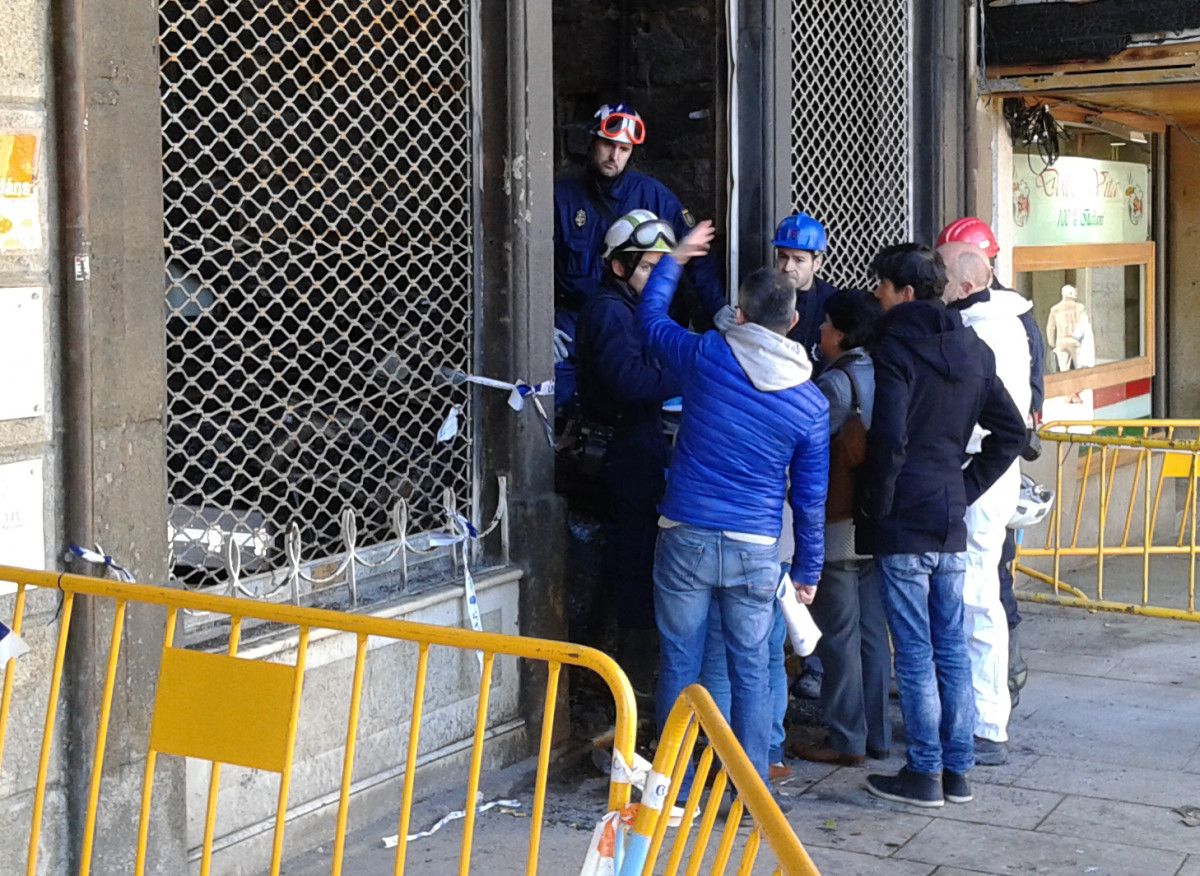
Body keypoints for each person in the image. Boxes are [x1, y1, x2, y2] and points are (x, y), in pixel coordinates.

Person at [640, 220, 828, 797]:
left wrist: (674, 259)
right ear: (794, 322)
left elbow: (650, 325)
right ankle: (749, 791)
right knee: (751, 670)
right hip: (754, 548)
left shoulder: (707, 356)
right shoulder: (811, 403)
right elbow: (810, 498)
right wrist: (809, 571)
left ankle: (673, 785)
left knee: (680, 662)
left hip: (687, 535)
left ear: (740, 314)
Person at [859, 244, 1025, 808]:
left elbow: (889, 439)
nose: (876, 295)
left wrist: (875, 508)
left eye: (881, 285)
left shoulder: (896, 346)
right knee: (949, 646)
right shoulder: (972, 347)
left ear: (905, 292)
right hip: (948, 509)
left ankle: (925, 770)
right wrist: (964, 486)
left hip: (907, 511)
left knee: (915, 649)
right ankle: (956, 770)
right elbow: (1013, 434)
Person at [553, 104, 731, 411]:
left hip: (637, 318)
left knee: (645, 391)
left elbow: (694, 250)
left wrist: (717, 308)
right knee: (555, 379)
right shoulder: (562, 197)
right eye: (608, 145)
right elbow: (538, 266)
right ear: (592, 142)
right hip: (577, 318)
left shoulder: (653, 195)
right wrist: (540, 324)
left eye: (624, 149)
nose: (615, 156)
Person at [937, 217, 1045, 705]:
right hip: (985, 474)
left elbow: (1004, 422)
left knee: (978, 597)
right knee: (977, 594)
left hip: (980, 474)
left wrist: (965, 482)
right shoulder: (1007, 320)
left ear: (965, 281)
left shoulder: (988, 328)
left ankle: (985, 714)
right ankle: (980, 708)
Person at [574, 211, 682, 695]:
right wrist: (691, 372)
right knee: (631, 565)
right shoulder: (611, 312)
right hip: (623, 451)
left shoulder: (631, 309)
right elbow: (629, 381)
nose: (656, 279)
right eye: (647, 269)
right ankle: (624, 683)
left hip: (636, 445)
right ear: (619, 267)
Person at [792, 290, 892, 767]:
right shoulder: (884, 371)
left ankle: (847, 737)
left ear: (845, 334)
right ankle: (877, 734)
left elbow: (808, 446)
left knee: (839, 635)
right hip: (876, 519)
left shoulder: (836, 385)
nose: (821, 332)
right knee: (873, 633)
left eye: (828, 325)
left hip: (839, 521)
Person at [773, 213, 839, 371]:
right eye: (783, 257)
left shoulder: (833, 303)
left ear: (816, 263)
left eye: (798, 260)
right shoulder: (764, 295)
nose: (788, 267)